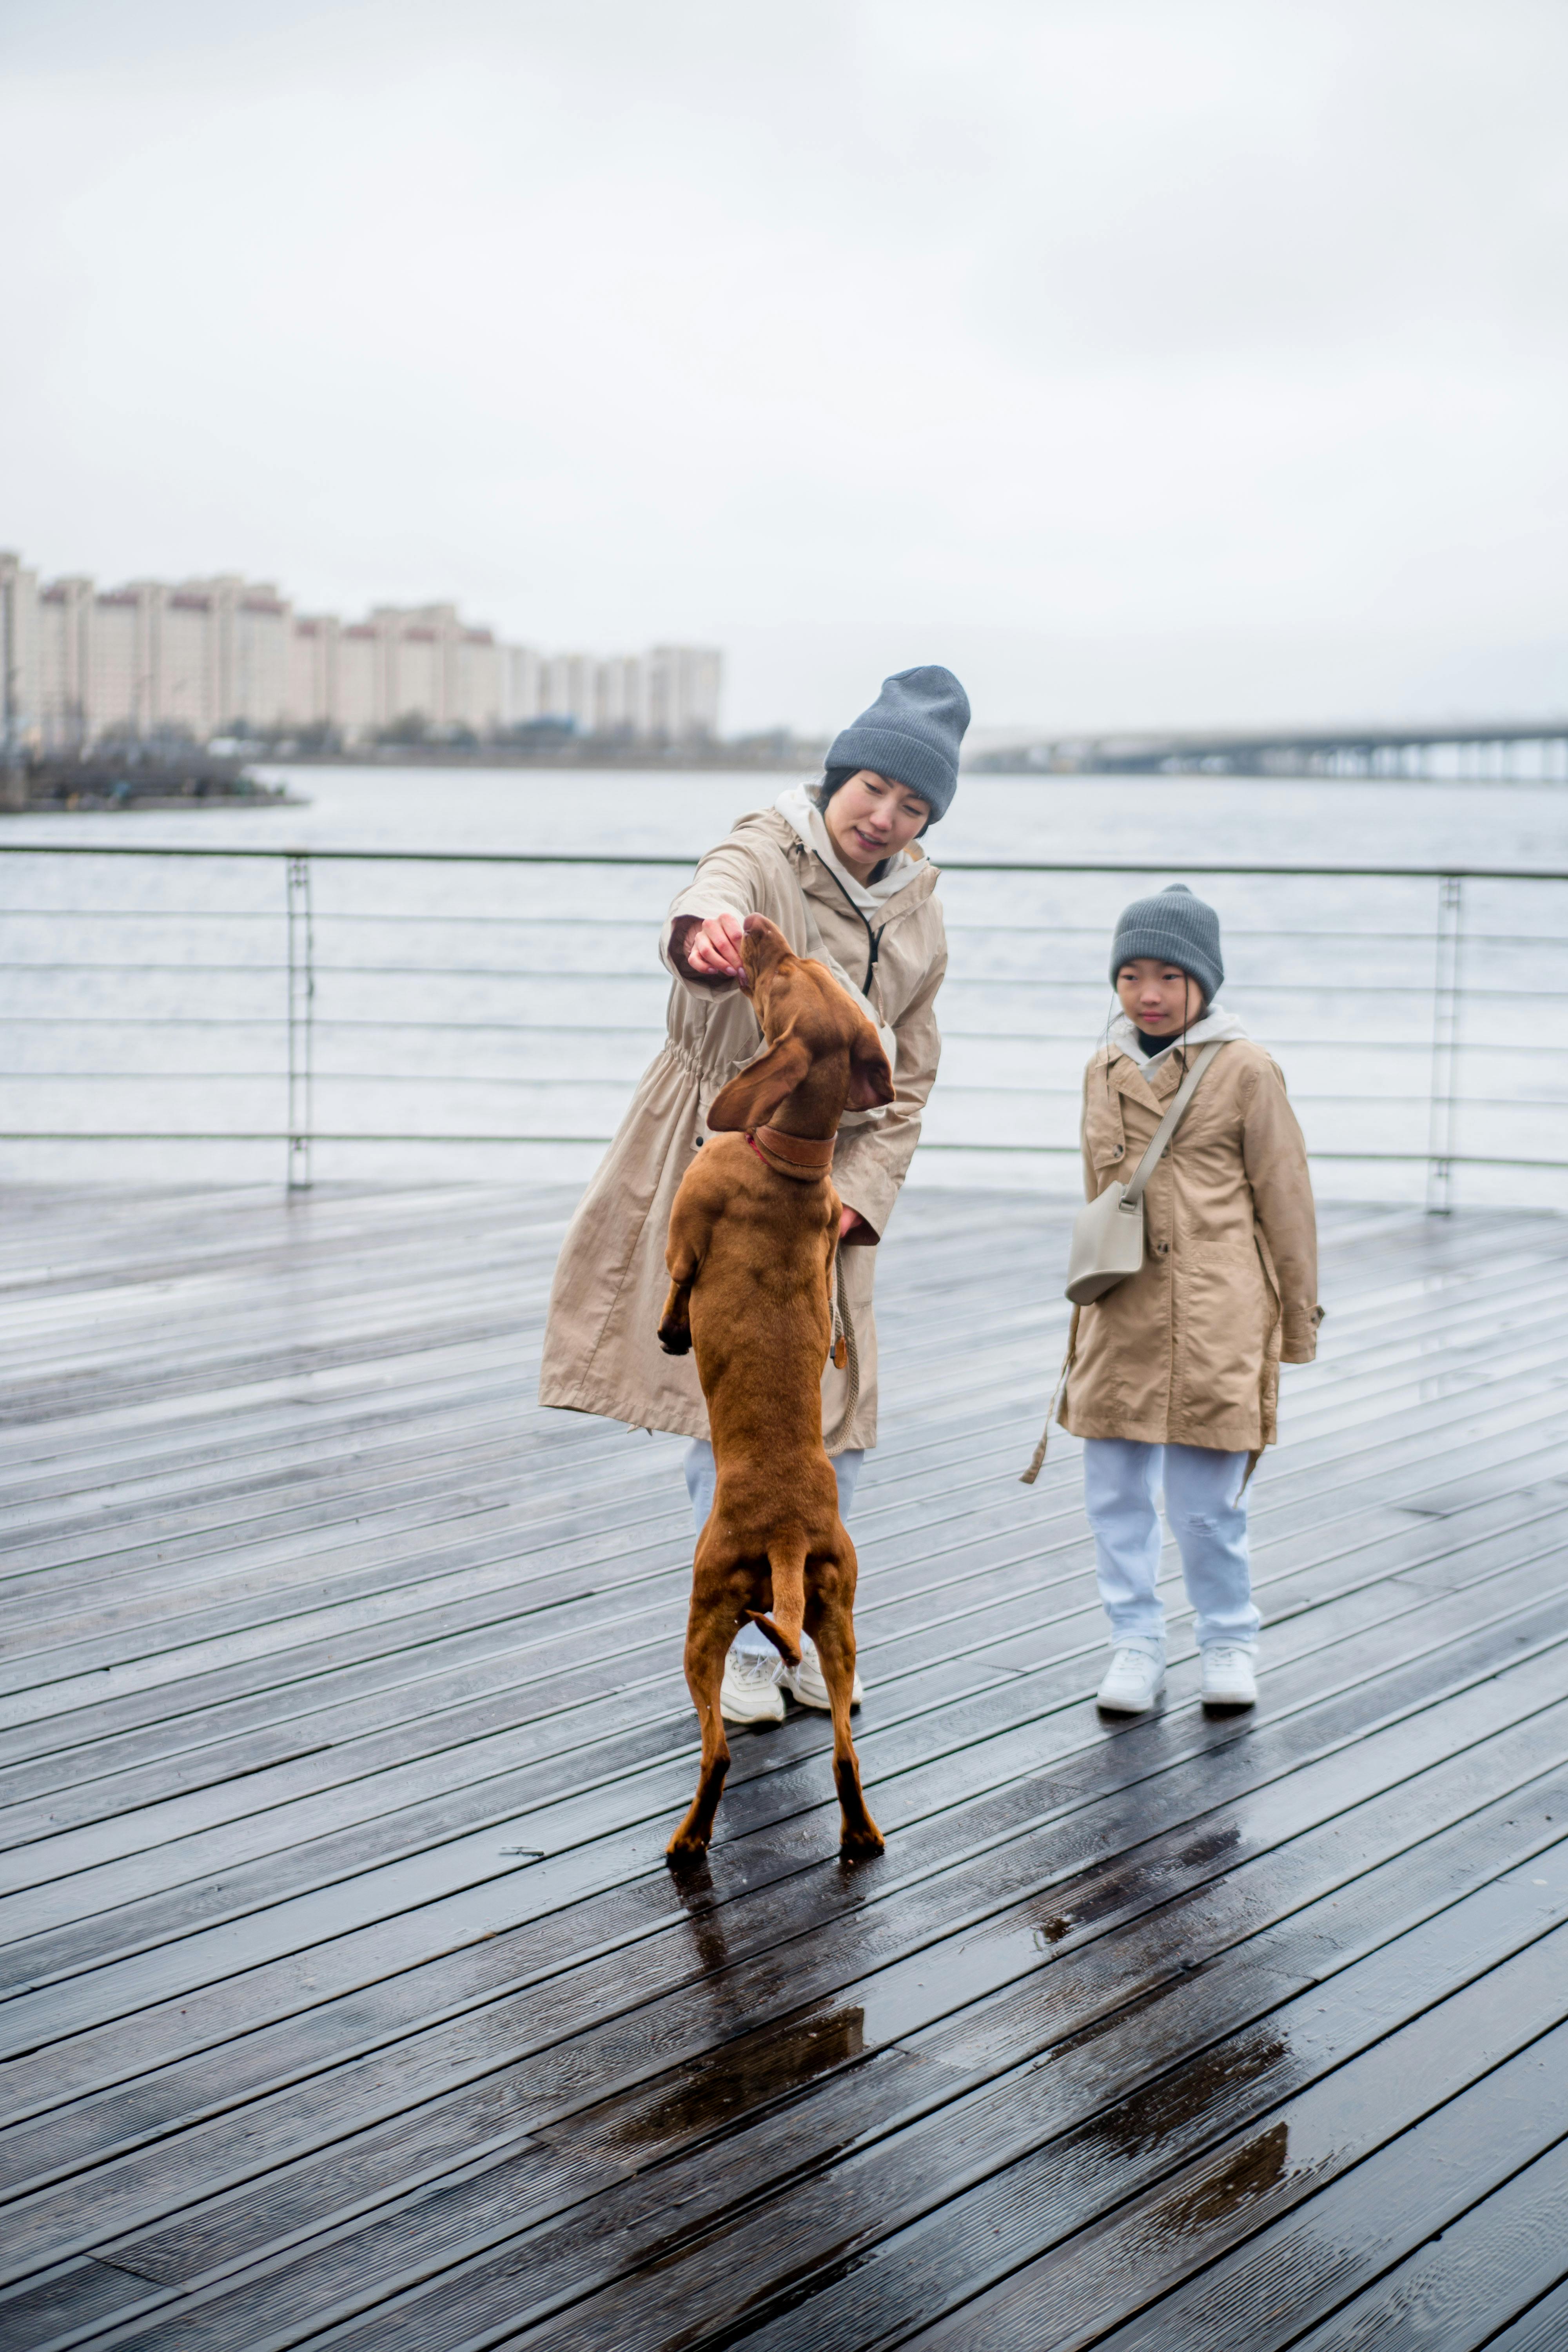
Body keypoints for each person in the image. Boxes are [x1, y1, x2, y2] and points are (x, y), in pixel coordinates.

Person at [539, 666, 967, 1724]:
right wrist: (703, 935)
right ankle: (742, 1643)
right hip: (721, 1158)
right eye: (874, 788)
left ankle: (809, 1628)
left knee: (833, 1422)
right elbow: (711, 892)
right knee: (729, 1415)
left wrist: (860, 1197)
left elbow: (911, 1076)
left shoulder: (920, 911)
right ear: (838, 776)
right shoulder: (769, 848)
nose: (886, 817)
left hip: (829, 1189)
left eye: (914, 804)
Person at [1053, 884, 1321, 1715]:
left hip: (1217, 1313)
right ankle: (1134, 1642)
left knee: (1207, 1508)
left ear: (1202, 980)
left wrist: (1297, 1322)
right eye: (1131, 975)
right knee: (1114, 1496)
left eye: (1169, 976)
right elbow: (1098, 1193)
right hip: (1120, 1311)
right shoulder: (1101, 1068)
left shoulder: (1247, 1068)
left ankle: (1228, 1639)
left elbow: (1287, 1200)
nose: (1149, 994)